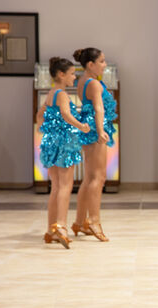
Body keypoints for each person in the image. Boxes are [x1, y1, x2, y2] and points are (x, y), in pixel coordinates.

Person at [36, 57, 91, 249]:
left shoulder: (51, 93)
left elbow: (40, 115)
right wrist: (82, 127)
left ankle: (52, 229)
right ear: (61, 74)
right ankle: (61, 227)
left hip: (51, 143)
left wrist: (48, 129)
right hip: (65, 144)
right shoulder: (62, 95)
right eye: (72, 74)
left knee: (56, 187)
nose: (74, 78)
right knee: (66, 187)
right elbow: (67, 115)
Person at [71, 47, 117, 242]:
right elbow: (98, 109)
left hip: (90, 130)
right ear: (91, 64)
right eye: (102, 61)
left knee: (90, 178)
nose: (105, 65)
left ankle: (80, 222)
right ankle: (94, 221)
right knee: (98, 178)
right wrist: (100, 131)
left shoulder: (83, 81)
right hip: (95, 131)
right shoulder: (94, 84)